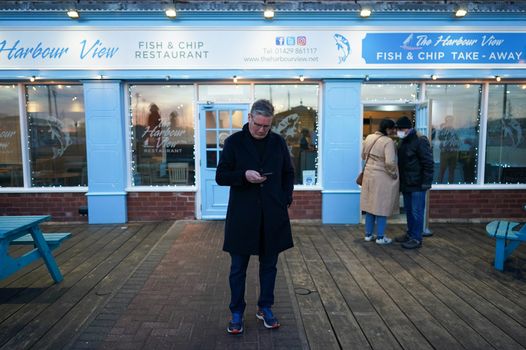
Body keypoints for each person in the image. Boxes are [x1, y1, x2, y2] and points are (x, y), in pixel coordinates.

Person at [216, 99, 295, 335]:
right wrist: (243, 175)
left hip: (272, 214)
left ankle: (265, 307)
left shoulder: (278, 142)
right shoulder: (234, 142)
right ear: (250, 117)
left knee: (269, 266)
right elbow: (221, 176)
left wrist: (284, 198)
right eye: (258, 124)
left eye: (266, 126)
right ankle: (237, 312)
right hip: (243, 215)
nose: (261, 130)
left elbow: (288, 173)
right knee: (238, 267)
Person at [395, 116, 434, 249]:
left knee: (417, 212)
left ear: (408, 128)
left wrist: (426, 183)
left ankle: (417, 239)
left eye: (401, 129)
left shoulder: (420, 140)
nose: (399, 131)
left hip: (418, 184)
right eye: (398, 129)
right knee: (409, 211)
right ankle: (410, 234)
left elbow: (428, 163)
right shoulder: (403, 141)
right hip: (407, 183)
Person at [360, 119, 400, 244]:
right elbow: (390, 162)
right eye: (392, 129)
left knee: (370, 206)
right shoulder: (388, 142)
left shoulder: (369, 137)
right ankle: (381, 237)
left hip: (368, 176)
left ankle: (368, 235)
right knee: (382, 206)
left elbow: (363, 155)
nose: (394, 131)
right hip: (382, 177)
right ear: (387, 129)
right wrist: (393, 174)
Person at [437, 115, 460, 183]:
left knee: (452, 170)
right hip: (445, 152)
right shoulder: (443, 129)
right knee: (442, 170)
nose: (450, 122)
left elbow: (458, 140)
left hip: (454, 152)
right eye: (448, 120)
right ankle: (438, 185)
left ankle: (450, 186)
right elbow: (440, 138)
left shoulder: (455, 130)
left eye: (451, 120)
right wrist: (445, 129)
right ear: (446, 121)